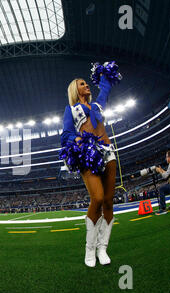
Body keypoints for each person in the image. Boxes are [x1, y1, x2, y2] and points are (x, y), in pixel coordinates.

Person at [61, 72, 118, 267]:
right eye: (82, 84)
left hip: (108, 153)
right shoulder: (71, 109)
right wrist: (76, 139)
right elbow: (66, 134)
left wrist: (105, 73)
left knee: (109, 202)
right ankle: (90, 249)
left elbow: (106, 89)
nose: (86, 85)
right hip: (88, 154)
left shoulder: (97, 106)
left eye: (87, 83)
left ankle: (103, 248)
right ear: (74, 90)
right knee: (98, 198)